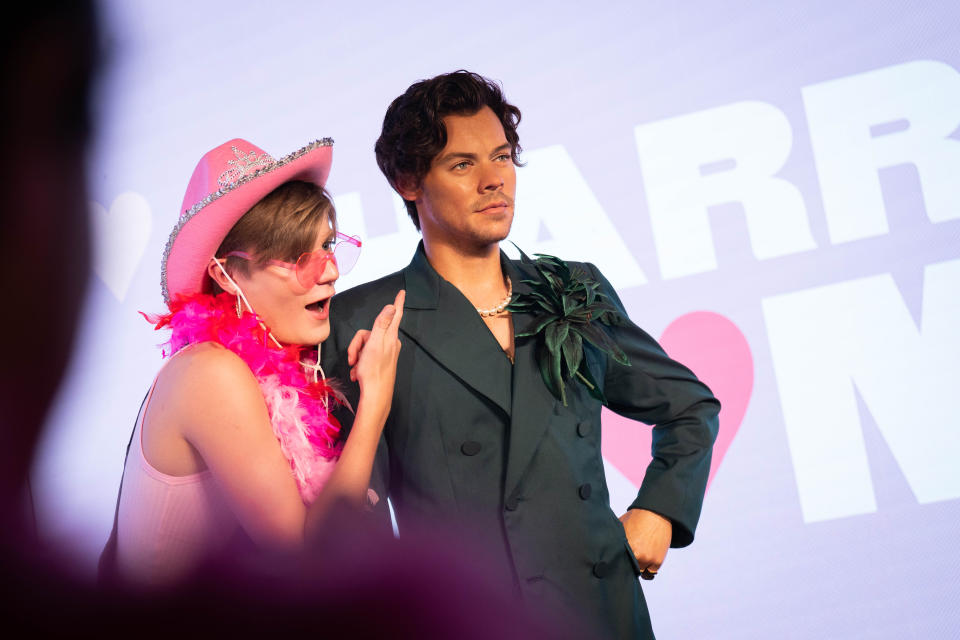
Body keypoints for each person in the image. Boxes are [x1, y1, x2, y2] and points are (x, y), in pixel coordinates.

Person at [322, 71, 721, 639]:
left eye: (502, 157)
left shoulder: (573, 290)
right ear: (409, 181)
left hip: (601, 614)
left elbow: (689, 407)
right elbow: (359, 512)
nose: (493, 181)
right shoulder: (365, 319)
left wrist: (659, 510)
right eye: (462, 164)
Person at [105, 137, 405, 586]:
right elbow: (307, 555)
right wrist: (375, 400)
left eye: (327, 246)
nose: (330, 271)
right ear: (225, 274)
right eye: (298, 258)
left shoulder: (257, 371)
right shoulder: (210, 373)